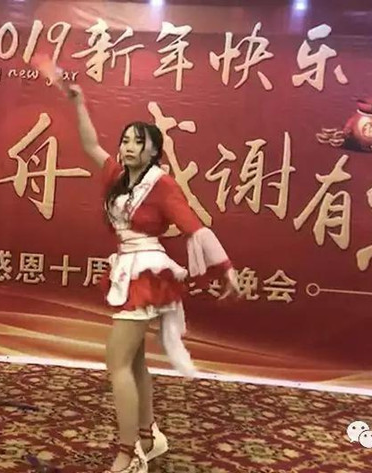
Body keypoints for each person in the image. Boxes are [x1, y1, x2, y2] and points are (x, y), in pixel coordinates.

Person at [68, 84, 239, 473]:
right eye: (125, 140)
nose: (128, 147)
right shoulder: (117, 176)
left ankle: (129, 453)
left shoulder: (161, 184)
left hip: (146, 271)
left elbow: (193, 225)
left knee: (117, 361)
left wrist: (225, 267)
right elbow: (90, 145)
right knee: (134, 361)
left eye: (138, 142)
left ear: (153, 151)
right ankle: (148, 437)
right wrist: (78, 103)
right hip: (127, 267)